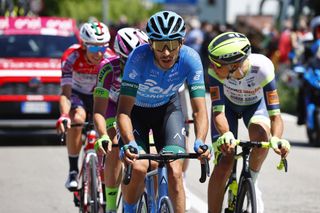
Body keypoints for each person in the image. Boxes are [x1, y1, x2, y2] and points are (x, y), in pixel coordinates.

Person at [116, 10, 211, 213]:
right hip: (136, 113)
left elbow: (199, 109)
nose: (166, 53)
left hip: (168, 110)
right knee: (140, 167)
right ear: (150, 44)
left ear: (182, 42)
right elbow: (123, 111)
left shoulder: (191, 59)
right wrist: (130, 143)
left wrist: (201, 140)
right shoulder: (138, 58)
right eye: (160, 45)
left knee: (175, 171)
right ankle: (129, 209)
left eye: (173, 45)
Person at [206, 32, 291, 213]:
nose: (211, 66)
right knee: (225, 161)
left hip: (254, 106)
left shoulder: (263, 68)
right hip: (226, 109)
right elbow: (218, 111)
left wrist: (276, 138)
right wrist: (227, 134)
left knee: (262, 139)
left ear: (234, 64)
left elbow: (275, 115)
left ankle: (253, 178)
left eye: (216, 63)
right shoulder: (214, 72)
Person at [93, 27, 149, 213]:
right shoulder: (108, 68)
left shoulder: (150, 65)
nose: (136, 65)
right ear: (119, 55)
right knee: (115, 146)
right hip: (112, 108)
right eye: (129, 61)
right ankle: (110, 206)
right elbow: (99, 110)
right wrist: (102, 135)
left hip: (138, 109)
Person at [56, 21, 111, 192]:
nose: (98, 53)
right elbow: (65, 92)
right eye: (94, 48)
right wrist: (64, 116)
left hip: (99, 95)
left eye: (102, 48)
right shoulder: (71, 56)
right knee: (77, 118)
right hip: (77, 94)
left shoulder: (109, 58)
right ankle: (73, 170)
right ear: (84, 45)